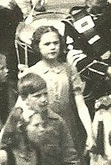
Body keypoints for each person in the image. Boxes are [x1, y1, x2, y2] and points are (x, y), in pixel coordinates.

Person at [25, 24, 94, 153]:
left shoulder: (69, 69)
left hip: (69, 130)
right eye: (47, 44)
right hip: (44, 131)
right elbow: (22, 108)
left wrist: (90, 134)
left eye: (56, 43)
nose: (52, 47)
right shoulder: (32, 72)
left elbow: (80, 104)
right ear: (37, 47)